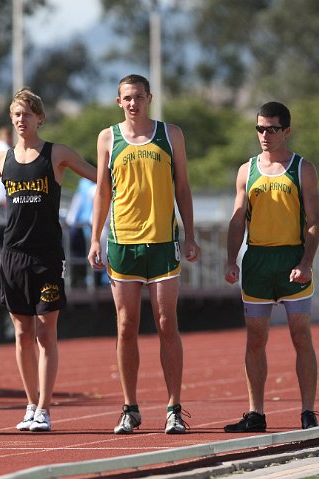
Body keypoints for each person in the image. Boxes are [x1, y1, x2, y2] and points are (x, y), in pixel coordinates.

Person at [0, 88, 96, 432]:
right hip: (13, 254)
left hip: (47, 256)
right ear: (11, 119)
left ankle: (45, 407)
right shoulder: (2, 159)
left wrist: (129, 189)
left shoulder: (56, 153)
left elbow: (99, 178)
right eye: (16, 115)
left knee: (46, 332)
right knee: (21, 333)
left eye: (27, 114)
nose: (21, 120)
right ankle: (31, 403)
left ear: (40, 118)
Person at [88, 74, 200, 435]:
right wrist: (95, 239)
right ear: (118, 101)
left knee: (168, 323)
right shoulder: (108, 137)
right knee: (126, 326)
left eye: (138, 96)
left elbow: (182, 186)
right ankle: (130, 407)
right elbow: (102, 192)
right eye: (127, 98)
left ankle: (173, 408)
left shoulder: (172, 135)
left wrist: (191, 234)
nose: (133, 103)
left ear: (149, 97)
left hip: (163, 243)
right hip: (122, 244)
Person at [223, 101, 319, 432]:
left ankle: (308, 412)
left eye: (271, 129)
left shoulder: (302, 168)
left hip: (291, 259)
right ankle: (256, 413)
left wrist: (306, 262)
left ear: (286, 131)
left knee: (300, 335)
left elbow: (314, 221)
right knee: (254, 339)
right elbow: (238, 220)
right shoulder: (246, 170)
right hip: (257, 261)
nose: (264, 135)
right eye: (260, 128)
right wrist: (230, 259)